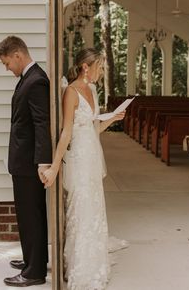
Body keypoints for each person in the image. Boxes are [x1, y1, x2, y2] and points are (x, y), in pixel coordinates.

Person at [42, 48, 126, 290]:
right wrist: (55, 167)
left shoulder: (92, 89)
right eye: (99, 66)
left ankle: (95, 262)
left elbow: (92, 129)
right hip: (78, 160)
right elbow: (66, 132)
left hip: (92, 159)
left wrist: (112, 119)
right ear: (85, 67)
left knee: (94, 209)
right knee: (80, 209)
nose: (102, 70)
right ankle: (80, 266)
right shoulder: (71, 92)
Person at [0, 36, 52, 287]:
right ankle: (33, 259)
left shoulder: (36, 80)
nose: (7, 68)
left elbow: (42, 123)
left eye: (7, 63)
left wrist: (42, 162)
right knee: (29, 214)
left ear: (18, 55)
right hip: (23, 160)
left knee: (31, 215)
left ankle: (34, 272)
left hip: (29, 163)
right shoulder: (28, 78)